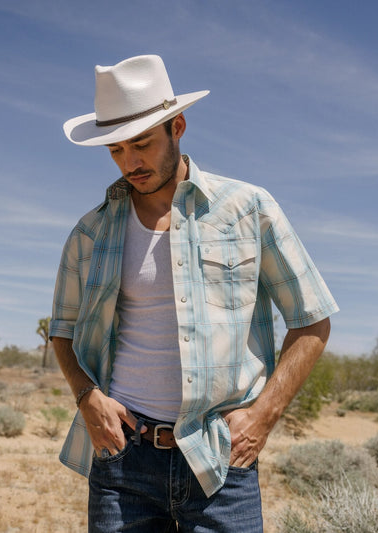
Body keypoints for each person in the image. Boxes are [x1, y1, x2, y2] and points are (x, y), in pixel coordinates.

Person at [50, 54, 339, 532]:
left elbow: (312, 320)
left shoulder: (249, 209)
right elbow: (62, 331)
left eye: (141, 144)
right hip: (123, 459)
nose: (130, 162)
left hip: (221, 459)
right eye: (116, 150)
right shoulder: (90, 233)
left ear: (177, 126)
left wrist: (263, 416)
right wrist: (86, 397)